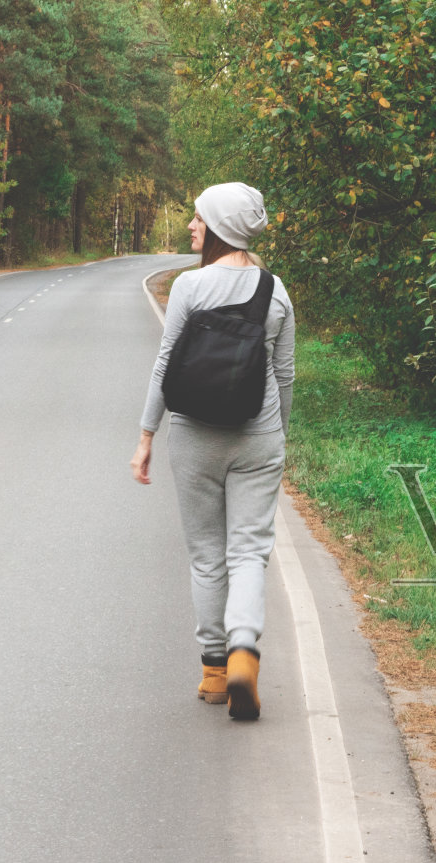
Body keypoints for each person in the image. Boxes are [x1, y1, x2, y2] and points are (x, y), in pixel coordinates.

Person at [130, 182, 295, 721]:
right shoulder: (276, 291)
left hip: (195, 435)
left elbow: (164, 366)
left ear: (220, 225)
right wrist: (278, 436)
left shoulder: (189, 287)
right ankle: (245, 646)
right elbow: (285, 375)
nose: (191, 227)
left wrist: (146, 435)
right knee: (248, 550)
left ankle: (215, 670)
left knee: (206, 553)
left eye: (198, 218)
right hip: (259, 431)